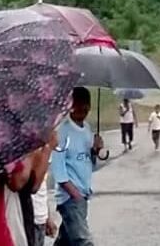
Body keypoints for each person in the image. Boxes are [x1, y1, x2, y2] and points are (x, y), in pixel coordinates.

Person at [52, 87, 103, 246]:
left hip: (83, 194)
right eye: (78, 103)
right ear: (70, 105)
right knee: (83, 241)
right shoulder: (62, 132)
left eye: (86, 104)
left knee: (66, 240)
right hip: (70, 198)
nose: (82, 108)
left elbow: (88, 163)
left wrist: (95, 150)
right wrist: (75, 195)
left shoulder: (87, 129)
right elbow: (59, 171)